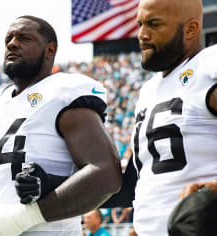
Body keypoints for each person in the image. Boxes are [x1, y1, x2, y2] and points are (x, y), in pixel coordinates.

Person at [0, 15, 122, 235]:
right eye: (9, 38)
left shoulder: (63, 93)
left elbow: (106, 175)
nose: (12, 43)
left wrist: (26, 217)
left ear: (50, 50)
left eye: (24, 38)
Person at [102, 0, 217, 235]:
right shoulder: (149, 90)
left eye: (153, 24)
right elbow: (142, 181)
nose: (142, 35)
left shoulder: (208, 65)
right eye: (140, 24)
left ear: (191, 29)